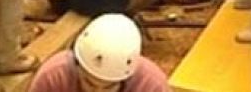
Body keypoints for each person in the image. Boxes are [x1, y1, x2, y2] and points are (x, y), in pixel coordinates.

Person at [28, 13, 172, 92]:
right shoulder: (53, 77)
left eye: (108, 88)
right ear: (77, 65)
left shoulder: (152, 85)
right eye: (89, 84)